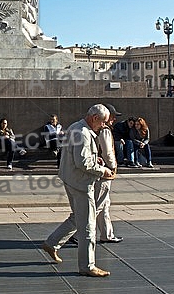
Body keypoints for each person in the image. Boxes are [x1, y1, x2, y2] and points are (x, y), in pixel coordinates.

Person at [42, 104, 115, 277]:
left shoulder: (76, 127)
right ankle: (87, 266)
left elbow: (77, 156)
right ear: (95, 118)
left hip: (71, 180)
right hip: (82, 184)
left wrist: (94, 157)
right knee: (88, 225)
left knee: (77, 217)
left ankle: (52, 243)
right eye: (103, 122)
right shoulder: (83, 133)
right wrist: (102, 170)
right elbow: (82, 163)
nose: (104, 126)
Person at [95, 104, 123, 243]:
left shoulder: (98, 129)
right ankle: (76, 234)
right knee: (98, 205)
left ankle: (107, 234)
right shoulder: (105, 131)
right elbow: (107, 152)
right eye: (113, 116)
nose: (114, 120)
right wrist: (112, 166)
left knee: (104, 204)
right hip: (104, 171)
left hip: (101, 171)